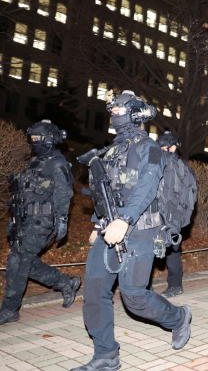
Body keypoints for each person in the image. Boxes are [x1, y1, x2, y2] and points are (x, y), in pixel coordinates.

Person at [73, 91, 190, 371]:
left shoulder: (148, 147)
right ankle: (106, 355)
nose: (114, 115)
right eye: (111, 111)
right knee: (94, 291)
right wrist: (97, 223)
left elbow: (146, 188)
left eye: (119, 110)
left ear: (135, 114)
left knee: (134, 297)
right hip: (108, 228)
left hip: (140, 230)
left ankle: (178, 318)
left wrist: (124, 220)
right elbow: (107, 192)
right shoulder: (112, 150)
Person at [0, 120, 80, 326]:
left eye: (37, 139)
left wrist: (62, 220)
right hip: (25, 219)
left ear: (49, 140)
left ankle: (9, 310)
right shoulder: (35, 162)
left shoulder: (58, 163)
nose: (33, 142)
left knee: (17, 262)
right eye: (32, 139)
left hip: (41, 221)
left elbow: (64, 194)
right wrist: (14, 217)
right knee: (24, 261)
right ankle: (65, 282)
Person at [157, 132, 197, 298]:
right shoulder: (183, 166)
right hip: (172, 215)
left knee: (169, 249)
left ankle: (174, 285)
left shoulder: (167, 163)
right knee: (170, 249)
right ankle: (174, 285)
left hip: (166, 214)